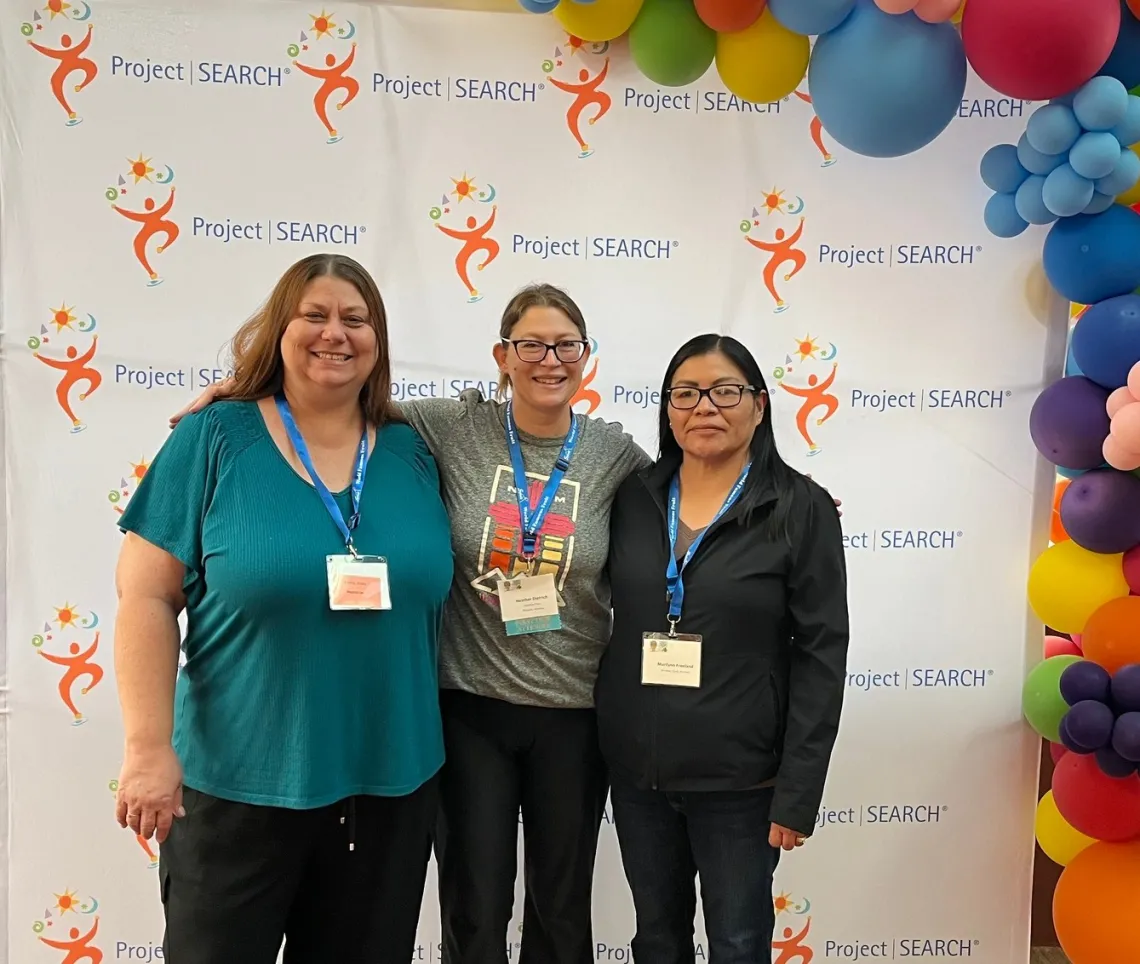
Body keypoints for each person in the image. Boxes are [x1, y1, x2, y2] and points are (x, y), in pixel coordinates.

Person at [172, 287, 845, 964]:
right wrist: (245, 392)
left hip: (574, 714)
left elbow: (701, 498)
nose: (548, 360)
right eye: (530, 345)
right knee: (476, 903)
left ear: (585, 360)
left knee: (560, 907)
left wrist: (793, 503)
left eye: (565, 346)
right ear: (501, 356)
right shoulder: (448, 428)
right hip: (469, 709)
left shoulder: (621, 462)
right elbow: (338, 397)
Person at [113, 253, 454, 964]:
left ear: (378, 341)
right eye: (316, 314)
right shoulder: (212, 439)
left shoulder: (413, 450)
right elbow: (145, 596)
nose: (336, 333)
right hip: (238, 788)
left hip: (390, 789)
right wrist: (147, 748)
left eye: (356, 319)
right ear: (280, 329)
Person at [595, 334, 849, 964]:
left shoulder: (800, 507)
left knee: (738, 944)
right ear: (667, 409)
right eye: (685, 393)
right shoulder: (634, 498)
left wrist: (798, 790)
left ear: (759, 406)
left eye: (725, 390)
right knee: (656, 939)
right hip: (638, 774)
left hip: (742, 781)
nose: (704, 406)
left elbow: (822, 654)